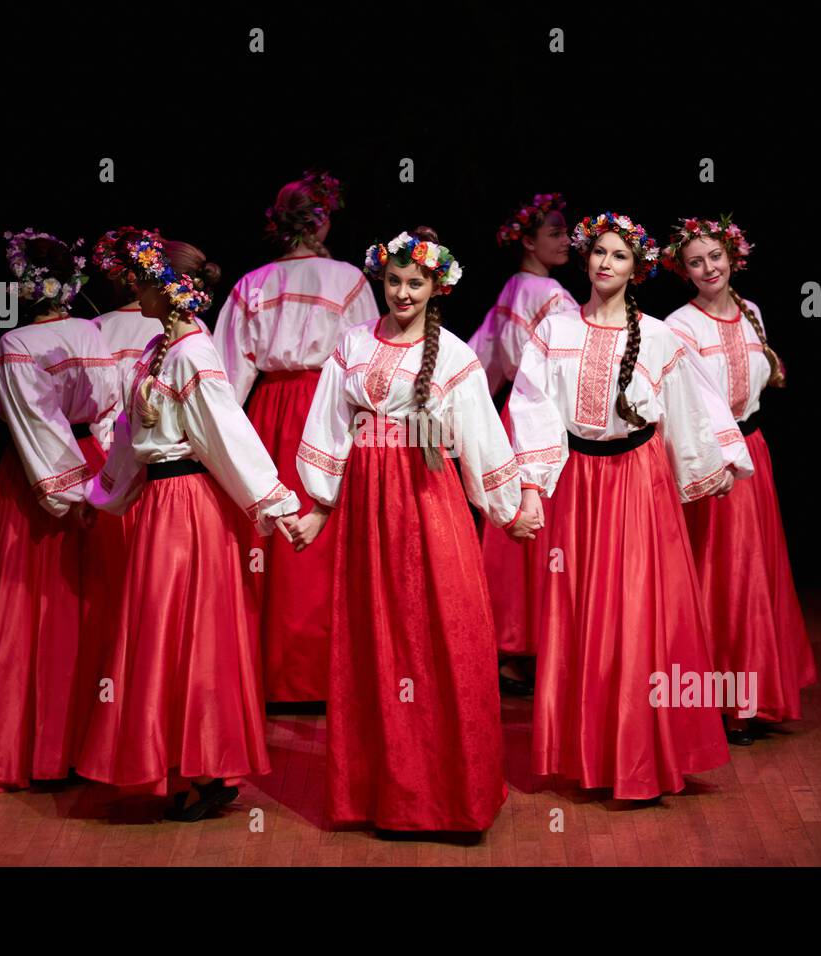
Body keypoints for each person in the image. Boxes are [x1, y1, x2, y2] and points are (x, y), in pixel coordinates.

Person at [289, 226, 539, 832]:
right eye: (395, 281)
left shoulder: (452, 355)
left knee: (438, 631)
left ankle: (448, 794)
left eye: (415, 283)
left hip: (427, 501)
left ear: (436, 287)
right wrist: (319, 505)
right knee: (376, 637)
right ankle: (386, 793)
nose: (402, 292)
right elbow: (331, 424)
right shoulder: (352, 343)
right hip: (368, 506)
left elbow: (478, 434)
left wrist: (511, 507)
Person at [508, 211, 754, 800]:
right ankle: (589, 750)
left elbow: (692, 402)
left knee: (640, 610)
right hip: (579, 485)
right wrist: (532, 483)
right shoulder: (556, 331)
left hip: (638, 482)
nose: (604, 263)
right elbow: (532, 405)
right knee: (580, 611)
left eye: (618, 256)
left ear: (635, 268)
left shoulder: (661, 336)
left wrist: (711, 463)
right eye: (598, 253)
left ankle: (641, 754)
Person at [76, 230, 301, 822]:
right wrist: (104, 493)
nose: (135, 292)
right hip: (161, 505)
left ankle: (197, 768)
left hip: (186, 507)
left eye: (143, 283)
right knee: (164, 632)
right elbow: (131, 437)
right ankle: (183, 765)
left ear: (168, 290)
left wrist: (274, 504)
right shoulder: (161, 350)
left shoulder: (192, 355)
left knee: (187, 634)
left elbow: (227, 436)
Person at [0, 228, 118, 792]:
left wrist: (69, 494)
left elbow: (38, 427)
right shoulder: (94, 331)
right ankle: (83, 745)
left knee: (33, 601)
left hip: (39, 478)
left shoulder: (16, 345)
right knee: (85, 603)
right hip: (91, 460)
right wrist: (104, 483)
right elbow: (114, 405)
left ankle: (31, 747)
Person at [213, 171, 378, 702]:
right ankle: (327, 674)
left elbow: (223, 377)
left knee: (271, 530)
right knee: (325, 526)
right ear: (323, 218)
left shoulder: (251, 284)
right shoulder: (348, 278)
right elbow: (369, 361)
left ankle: (270, 671)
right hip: (327, 410)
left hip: (267, 413)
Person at [661, 214, 816, 744]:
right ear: (683, 270)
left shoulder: (751, 312)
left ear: (733, 256)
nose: (708, 268)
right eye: (695, 261)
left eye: (715, 257)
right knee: (719, 575)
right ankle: (722, 702)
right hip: (712, 457)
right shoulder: (679, 326)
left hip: (754, 453)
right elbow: (688, 404)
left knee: (754, 574)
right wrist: (715, 457)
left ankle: (754, 694)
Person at [469, 192, 578, 694]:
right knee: (545, 523)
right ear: (528, 241)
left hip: (515, 412)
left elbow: (481, 359)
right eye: (554, 232)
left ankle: (514, 647)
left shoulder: (512, 289)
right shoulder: (550, 296)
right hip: (544, 414)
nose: (566, 240)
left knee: (516, 525)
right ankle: (541, 642)